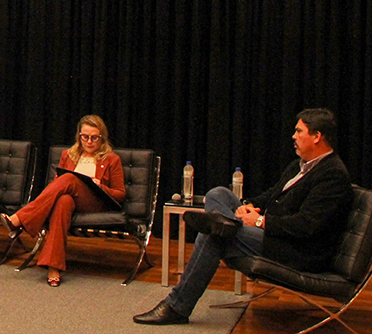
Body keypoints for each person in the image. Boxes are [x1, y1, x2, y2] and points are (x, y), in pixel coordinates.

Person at [134, 108, 353, 325]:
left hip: (296, 248)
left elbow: (307, 225)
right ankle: (227, 225)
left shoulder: (332, 174)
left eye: (299, 131)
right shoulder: (299, 165)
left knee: (212, 235)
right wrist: (249, 206)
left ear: (317, 137)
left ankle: (177, 307)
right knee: (218, 193)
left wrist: (260, 221)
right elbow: (270, 196)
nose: (293, 136)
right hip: (271, 232)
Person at [1, 114, 125, 286]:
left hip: (95, 203)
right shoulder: (69, 155)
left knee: (69, 179)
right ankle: (53, 267)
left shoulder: (111, 159)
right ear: (79, 136)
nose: (89, 141)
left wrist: (101, 186)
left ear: (102, 138)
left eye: (94, 138)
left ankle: (20, 219)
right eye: (85, 137)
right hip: (72, 202)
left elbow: (120, 194)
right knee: (63, 201)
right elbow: (56, 186)